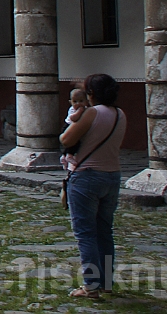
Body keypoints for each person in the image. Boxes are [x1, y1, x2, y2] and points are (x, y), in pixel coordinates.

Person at [61, 73, 128, 299]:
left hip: (87, 176)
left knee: (86, 234)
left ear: (91, 94)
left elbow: (66, 140)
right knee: (104, 232)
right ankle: (106, 282)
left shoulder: (91, 113)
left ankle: (90, 285)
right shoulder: (120, 114)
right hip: (112, 176)